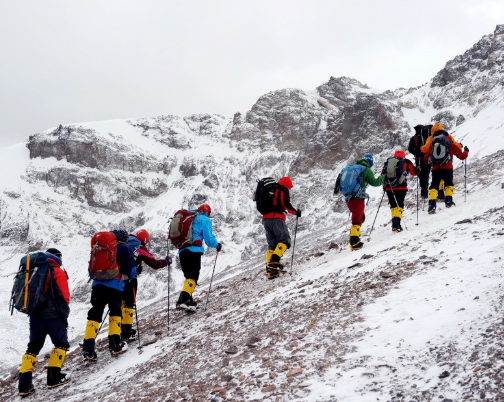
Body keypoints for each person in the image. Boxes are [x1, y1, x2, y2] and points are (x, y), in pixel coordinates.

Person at [18, 248, 71, 397]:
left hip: (35, 316)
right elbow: (64, 296)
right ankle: (54, 377)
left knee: (32, 349)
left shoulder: (34, 271)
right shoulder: (57, 271)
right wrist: (64, 314)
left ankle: (24, 385)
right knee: (61, 344)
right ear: (58, 258)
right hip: (53, 316)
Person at [82, 230, 136, 361]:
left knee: (95, 314)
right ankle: (115, 344)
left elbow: (91, 269)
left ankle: (88, 348)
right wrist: (129, 277)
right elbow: (131, 269)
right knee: (115, 313)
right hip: (115, 286)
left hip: (97, 285)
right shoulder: (124, 247)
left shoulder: (99, 247)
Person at [121, 229, 172, 341]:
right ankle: (127, 331)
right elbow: (154, 264)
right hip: (130, 279)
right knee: (129, 304)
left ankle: (118, 331)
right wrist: (166, 261)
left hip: (116, 278)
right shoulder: (139, 247)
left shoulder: (123, 243)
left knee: (121, 303)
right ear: (144, 240)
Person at [175, 204, 222, 312]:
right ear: (207, 212)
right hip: (194, 251)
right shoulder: (204, 220)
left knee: (188, 277)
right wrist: (217, 245)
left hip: (182, 251)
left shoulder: (190, 218)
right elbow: (209, 239)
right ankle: (182, 300)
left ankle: (189, 303)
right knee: (193, 277)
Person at [335, 154, 385, 250]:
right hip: (357, 198)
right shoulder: (366, 170)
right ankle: (354, 242)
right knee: (357, 219)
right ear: (370, 163)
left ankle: (355, 237)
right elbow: (375, 183)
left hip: (348, 198)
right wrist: (383, 177)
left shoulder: (351, 167)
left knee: (360, 217)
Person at [421, 125, 469, 213]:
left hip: (435, 168)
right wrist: (466, 151)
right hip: (448, 167)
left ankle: (432, 205)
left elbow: (425, 159)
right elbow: (462, 156)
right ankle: (449, 201)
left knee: (434, 186)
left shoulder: (432, 141)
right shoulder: (449, 140)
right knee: (449, 184)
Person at [261, 176, 301, 279]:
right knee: (285, 240)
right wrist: (295, 212)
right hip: (276, 218)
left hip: (266, 220)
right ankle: (274, 262)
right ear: (288, 184)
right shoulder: (283, 188)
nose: (290, 189)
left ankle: (271, 272)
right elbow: (285, 203)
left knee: (272, 245)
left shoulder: (271, 189)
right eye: (290, 187)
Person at [382, 150, 419, 232]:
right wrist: (418, 170)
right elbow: (414, 173)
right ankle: (397, 224)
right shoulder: (406, 162)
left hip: (389, 187)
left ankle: (394, 224)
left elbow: (383, 175)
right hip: (401, 187)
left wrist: (384, 185)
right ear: (403, 156)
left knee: (393, 205)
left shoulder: (388, 162)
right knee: (399, 205)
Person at [408, 124, 431, 199]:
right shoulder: (427, 137)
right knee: (426, 174)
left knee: (421, 175)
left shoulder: (414, 138)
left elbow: (410, 149)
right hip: (427, 158)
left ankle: (423, 192)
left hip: (418, 159)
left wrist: (416, 153)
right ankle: (426, 191)